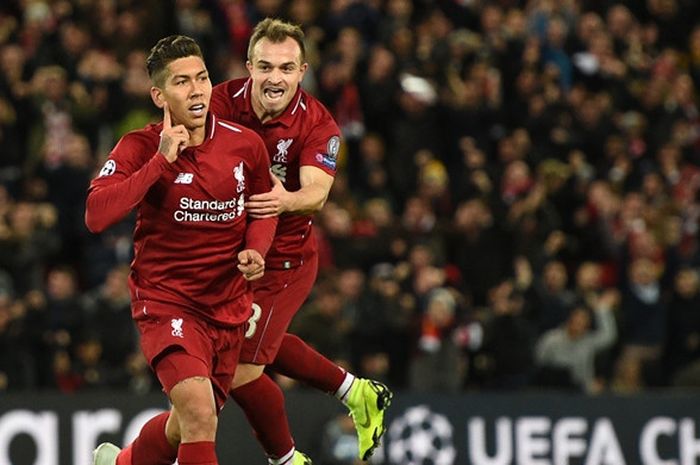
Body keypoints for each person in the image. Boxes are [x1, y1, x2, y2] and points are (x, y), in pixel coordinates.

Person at [87, 35, 277, 465]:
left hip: (227, 306)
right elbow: (96, 214)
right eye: (181, 82)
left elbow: (264, 209)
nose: (197, 90)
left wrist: (257, 249)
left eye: (203, 78)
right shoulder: (139, 146)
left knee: (184, 424)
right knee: (198, 414)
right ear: (159, 95)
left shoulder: (245, 145)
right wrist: (160, 162)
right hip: (166, 301)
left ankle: (121, 464)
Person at [209, 18, 392, 465]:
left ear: (302, 70)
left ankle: (287, 460)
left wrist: (280, 199)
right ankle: (355, 392)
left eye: (287, 68)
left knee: (240, 368)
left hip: (283, 261)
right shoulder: (218, 103)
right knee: (229, 354)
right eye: (266, 67)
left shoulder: (317, 123)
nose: (275, 78)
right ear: (249, 65)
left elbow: (316, 193)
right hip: (226, 254)